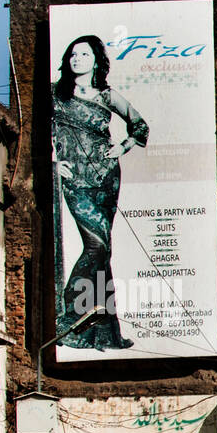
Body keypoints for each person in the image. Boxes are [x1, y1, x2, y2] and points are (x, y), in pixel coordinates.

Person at [51, 34, 149, 350]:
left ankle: (102, 332)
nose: (76, 59)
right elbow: (42, 132)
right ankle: (69, 318)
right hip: (75, 180)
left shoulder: (106, 96)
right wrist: (54, 161)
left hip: (106, 178)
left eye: (84, 54)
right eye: (72, 54)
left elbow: (139, 124)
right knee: (97, 246)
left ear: (96, 60)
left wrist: (123, 146)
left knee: (103, 252)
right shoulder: (55, 94)